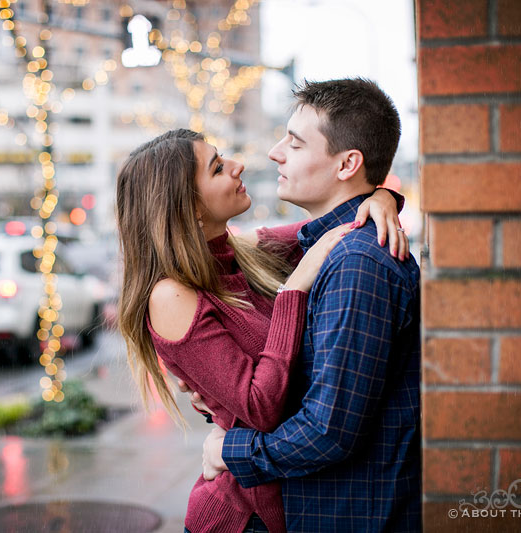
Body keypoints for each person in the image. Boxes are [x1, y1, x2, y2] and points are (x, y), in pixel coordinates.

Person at [115, 127, 407, 533]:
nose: (238, 166)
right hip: (243, 516)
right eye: (218, 168)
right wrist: (294, 291)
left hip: (292, 496)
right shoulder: (170, 296)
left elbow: (338, 221)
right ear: (190, 208)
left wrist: (382, 197)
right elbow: (260, 407)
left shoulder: (246, 251)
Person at [198, 78, 421, 532]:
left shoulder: (355, 263)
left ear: (347, 164)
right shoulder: (327, 247)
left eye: (295, 144)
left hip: (349, 512)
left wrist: (228, 450)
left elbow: (328, 431)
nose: (275, 153)